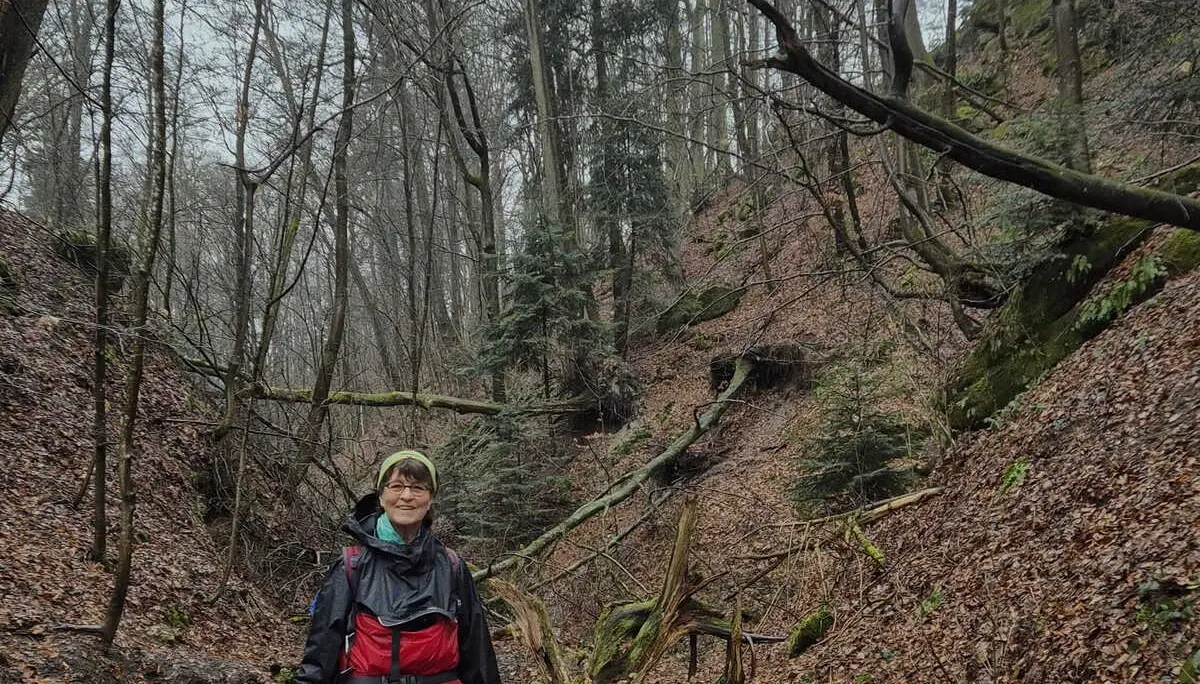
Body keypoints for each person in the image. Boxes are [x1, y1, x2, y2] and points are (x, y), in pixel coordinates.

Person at [296, 450, 501, 684]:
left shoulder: (451, 566)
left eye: (418, 488)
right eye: (396, 486)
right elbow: (320, 657)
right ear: (381, 497)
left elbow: (477, 654)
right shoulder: (351, 566)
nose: (406, 496)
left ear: (430, 499)